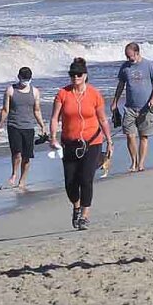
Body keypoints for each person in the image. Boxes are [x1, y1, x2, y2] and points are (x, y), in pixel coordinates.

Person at [50, 57, 112, 231]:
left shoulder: (94, 94)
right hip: (69, 144)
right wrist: (53, 137)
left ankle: (85, 216)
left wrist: (109, 140)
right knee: (70, 183)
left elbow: (102, 119)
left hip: (92, 141)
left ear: (85, 75)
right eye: (72, 75)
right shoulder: (63, 94)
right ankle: (76, 207)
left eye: (78, 74)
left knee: (86, 178)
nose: (75, 78)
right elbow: (55, 118)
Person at [0, 66, 45, 191]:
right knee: (17, 154)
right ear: (19, 77)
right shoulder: (10, 90)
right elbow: (5, 110)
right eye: (23, 78)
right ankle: (14, 175)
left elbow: (37, 110)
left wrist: (42, 125)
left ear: (30, 78)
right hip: (14, 125)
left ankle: (22, 180)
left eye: (27, 79)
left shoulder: (35, 92)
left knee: (27, 157)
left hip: (28, 127)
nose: (25, 81)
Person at [113, 42, 153, 173]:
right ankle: (133, 162)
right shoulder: (125, 67)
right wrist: (114, 102)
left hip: (146, 107)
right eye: (126, 56)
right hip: (129, 107)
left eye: (130, 56)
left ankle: (141, 164)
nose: (128, 59)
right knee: (130, 135)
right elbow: (120, 86)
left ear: (137, 52)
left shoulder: (149, 65)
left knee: (143, 136)